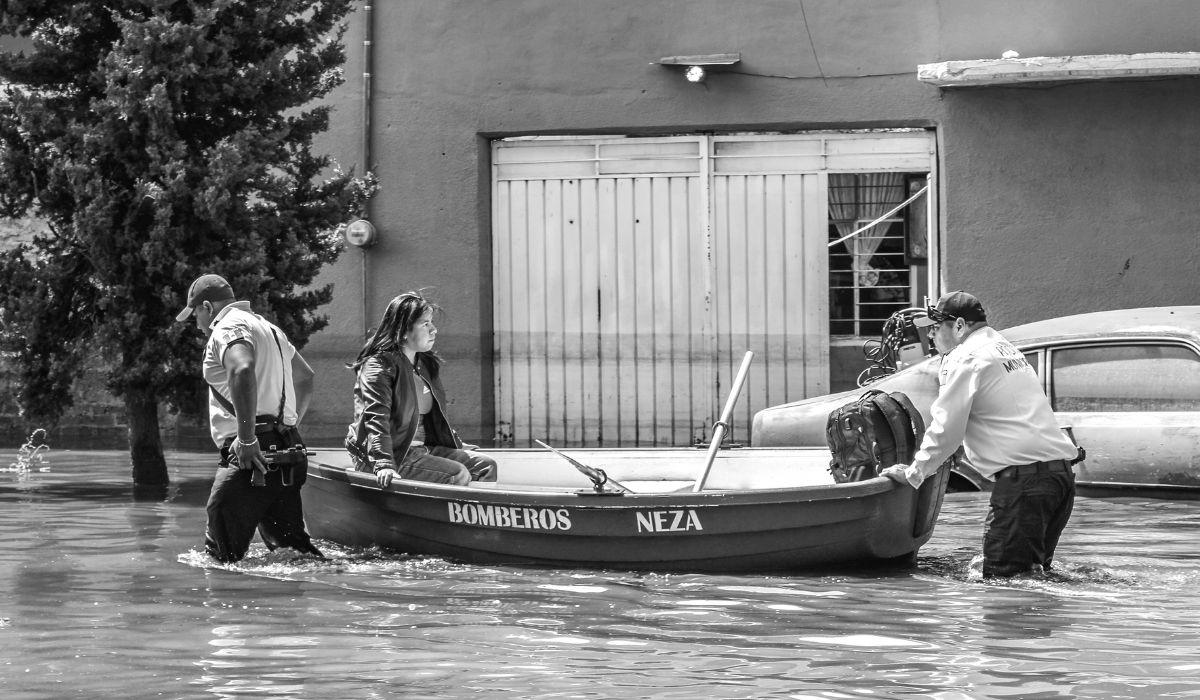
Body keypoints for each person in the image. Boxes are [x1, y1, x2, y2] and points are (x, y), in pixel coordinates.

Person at [879, 290, 1082, 578]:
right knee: (1035, 577)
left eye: (935, 328)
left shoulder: (967, 357)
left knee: (1002, 582)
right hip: (1059, 480)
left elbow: (946, 428)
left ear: (959, 325)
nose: (931, 337)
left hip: (1026, 484)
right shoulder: (1004, 348)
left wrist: (914, 474)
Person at [177, 273, 324, 563]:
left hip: (251, 454)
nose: (196, 323)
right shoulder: (270, 329)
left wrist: (247, 438)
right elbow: (305, 377)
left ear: (207, 307)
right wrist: (288, 425)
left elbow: (242, 369)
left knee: (218, 559)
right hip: (288, 447)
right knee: (294, 554)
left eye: (195, 314)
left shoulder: (227, 328)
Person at [346, 291, 497, 487]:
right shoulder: (379, 366)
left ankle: (466, 508)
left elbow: (433, 418)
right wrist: (383, 462)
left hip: (422, 449)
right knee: (457, 474)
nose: (434, 330)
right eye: (425, 324)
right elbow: (375, 417)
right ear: (402, 330)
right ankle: (443, 509)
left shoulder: (424, 363)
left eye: (432, 322)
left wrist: (457, 445)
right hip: (390, 453)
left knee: (486, 466)